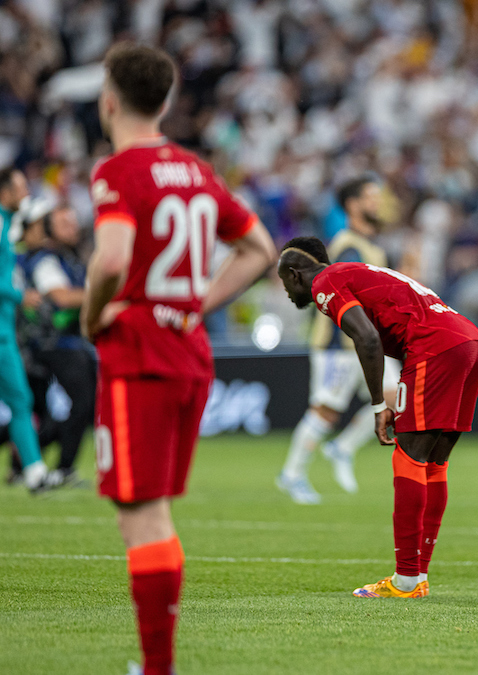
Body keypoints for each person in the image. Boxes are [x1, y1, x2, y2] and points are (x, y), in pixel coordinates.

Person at [82, 43, 275, 675]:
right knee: (154, 509)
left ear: (109, 99)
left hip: (139, 352)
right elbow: (257, 248)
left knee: (142, 514)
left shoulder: (117, 172)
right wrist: (196, 304)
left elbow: (112, 258)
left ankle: (157, 666)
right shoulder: (194, 170)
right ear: (164, 102)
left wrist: (93, 315)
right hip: (188, 351)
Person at [277, 236, 478, 598]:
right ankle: (417, 576)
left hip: (435, 346)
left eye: (284, 283)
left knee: (408, 457)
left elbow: (368, 339)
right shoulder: (354, 271)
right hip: (470, 342)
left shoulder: (325, 282)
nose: (286, 293)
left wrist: (379, 406)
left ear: (295, 275)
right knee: (434, 463)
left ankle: (406, 579)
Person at [277, 175, 400, 504]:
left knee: (397, 399)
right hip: (340, 344)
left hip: (369, 343)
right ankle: (291, 474)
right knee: (326, 412)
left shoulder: (372, 246)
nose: (378, 203)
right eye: (371, 197)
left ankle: (341, 448)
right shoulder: (347, 245)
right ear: (353, 205)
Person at [16, 202, 96, 488]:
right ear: (49, 229)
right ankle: (56, 467)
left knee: (61, 410)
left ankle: (24, 463)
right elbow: (61, 297)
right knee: (79, 403)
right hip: (51, 344)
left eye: (73, 222)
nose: (72, 228)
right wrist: (101, 291)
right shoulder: (46, 260)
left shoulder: (70, 258)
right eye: (64, 223)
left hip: (69, 342)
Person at [0, 167, 48, 492]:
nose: (25, 192)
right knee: (20, 399)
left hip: (4, 329)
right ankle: (34, 471)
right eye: (20, 187)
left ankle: (34, 471)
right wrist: (20, 295)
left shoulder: (7, 224)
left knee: (20, 398)